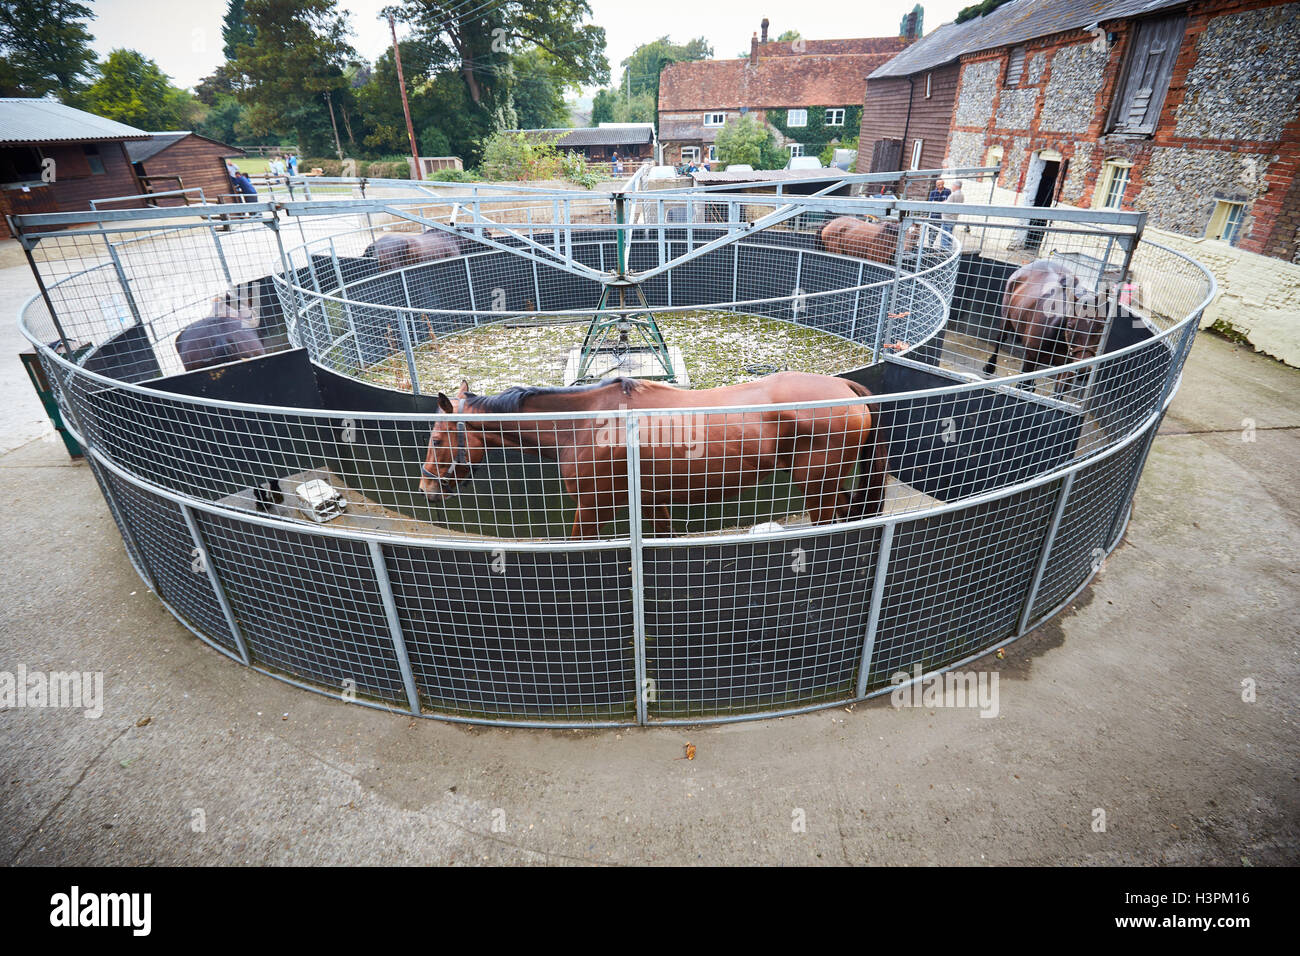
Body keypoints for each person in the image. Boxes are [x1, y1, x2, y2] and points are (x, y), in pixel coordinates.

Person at [927, 178, 951, 248]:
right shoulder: (933, 192)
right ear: (936, 185)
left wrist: (936, 202)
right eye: (938, 185)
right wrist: (942, 202)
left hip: (943, 214)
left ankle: (944, 247)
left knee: (943, 230)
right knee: (932, 230)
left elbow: (949, 201)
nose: (940, 186)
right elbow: (930, 202)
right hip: (934, 214)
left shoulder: (948, 191)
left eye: (941, 184)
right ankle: (930, 244)